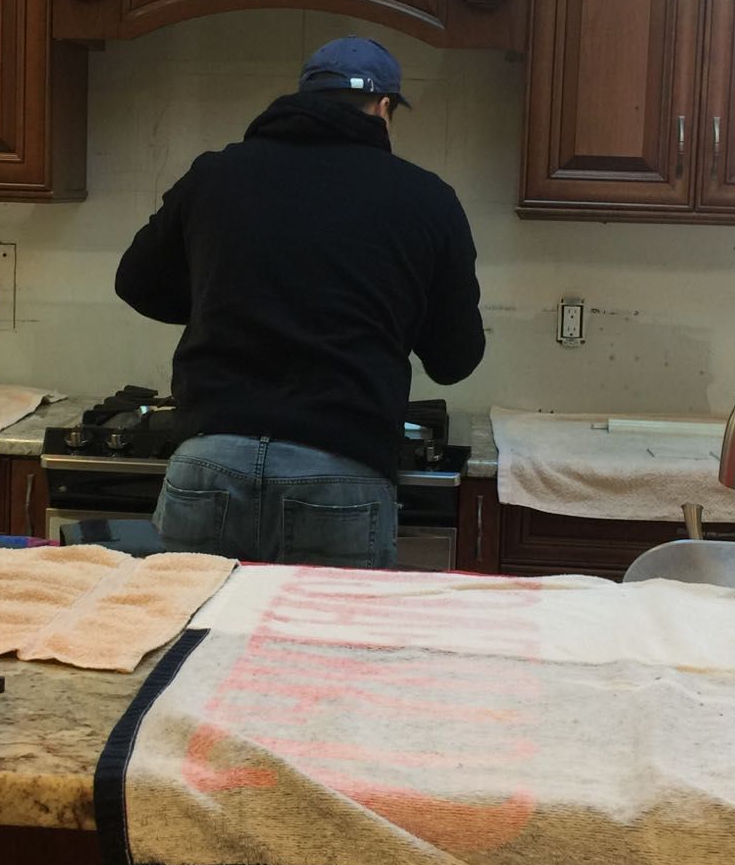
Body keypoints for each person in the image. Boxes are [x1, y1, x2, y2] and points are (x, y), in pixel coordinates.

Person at [114, 36, 486, 567]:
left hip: (210, 459)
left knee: (190, 643)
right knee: (322, 649)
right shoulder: (426, 198)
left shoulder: (217, 174)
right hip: (341, 471)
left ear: (304, 96)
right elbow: (455, 359)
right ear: (384, 109)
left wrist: (222, 301)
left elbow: (136, 282)